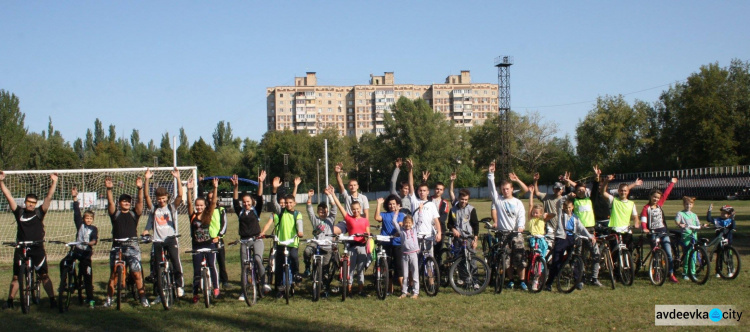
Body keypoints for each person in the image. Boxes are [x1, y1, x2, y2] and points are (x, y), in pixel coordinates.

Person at [0, 171, 59, 310]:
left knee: (44, 275)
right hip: (21, 248)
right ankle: (10, 300)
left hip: (37, 248)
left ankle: (52, 300)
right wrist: (1, 181)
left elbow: (49, 198)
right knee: (16, 277)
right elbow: (8, 196)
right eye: (29, 202)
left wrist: (54, 182)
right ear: (25, 202)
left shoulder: (39, 212)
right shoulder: (19, 212)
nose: (31, 205)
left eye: (33, 203)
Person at [141, 168, 185, 303]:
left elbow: (179, 196)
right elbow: (146, 197)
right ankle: (160, 290)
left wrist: (177, 178)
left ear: (167, 198)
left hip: (170, 239)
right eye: (159, 198)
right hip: (158, 240)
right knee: (157, 266)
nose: (161, 200)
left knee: (176, 262)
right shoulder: (154, 209)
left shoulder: (171, 207)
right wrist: (147, 179)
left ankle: (179, 285)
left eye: (163, 198)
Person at [104, 175, 148, 307]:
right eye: (124, 201)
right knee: (113, 275)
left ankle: (143, 298)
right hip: (117, 246)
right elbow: (110, 204)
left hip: (132, 246)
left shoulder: (134, 214)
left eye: (128, 201)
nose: (126, 203)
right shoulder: (115, 214)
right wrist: (109, 190)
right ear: (120, 203)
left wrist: (140, 188)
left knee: (136, 273)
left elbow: (140, 203)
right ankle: (109, 299)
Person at [487, 162, 528, 290]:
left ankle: (521, 281)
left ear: (511, 189)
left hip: (516, 234)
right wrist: (491, 174)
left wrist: (520, 226)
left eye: (507, 189)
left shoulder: (517, 202)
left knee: (520, 259)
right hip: (503, 234)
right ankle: (510, 280)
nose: (505, 191)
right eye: (503, 189)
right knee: (507, 259)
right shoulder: (498, 201)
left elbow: (521, 215)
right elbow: (491, 189)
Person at [262, 176, 304, 298]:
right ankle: (280, 288)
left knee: (294, 258)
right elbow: (274, 203)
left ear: (295, 203)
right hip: (281, 243)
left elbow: (299, 223)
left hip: (292, 243)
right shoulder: (280, 213)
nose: (288, 205)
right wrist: (274, 190)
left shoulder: (297, 214)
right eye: (286, 203)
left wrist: (300, 232)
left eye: (291, 203)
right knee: (279, 267)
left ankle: (296, 274)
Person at [231, 171, 271, 301]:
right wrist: (235, 187)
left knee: (258, 260)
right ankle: (244, 291)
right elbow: (235, 200)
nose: (246, 204)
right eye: (244, 202)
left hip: (256, 239)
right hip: (244, 241)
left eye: (248, 202)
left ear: (251, 202)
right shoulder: (240, 211)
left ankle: (264, 282)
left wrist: (260, 183)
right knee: (244, 265)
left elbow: (260, 197)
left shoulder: (256, 210)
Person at [328, 185, 370, 297]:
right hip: (351, 246)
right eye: (354, 209)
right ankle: (349, 291)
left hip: (361, 246)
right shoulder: (348, 218)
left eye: (357, 209)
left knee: (360, 270)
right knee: (350, 270)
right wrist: (333, 195)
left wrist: (366, 235)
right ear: (351, 210)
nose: (356, 211)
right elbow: (340, 206)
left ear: (360, 209)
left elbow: (368, 233)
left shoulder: (365, 220)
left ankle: (361, 290)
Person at [545, 200, 596, 291]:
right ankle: (549, 283)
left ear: (572, 207)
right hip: (562, 238)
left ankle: (578, 281)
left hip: (572, 239)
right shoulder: (561, 215)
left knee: (574, 260)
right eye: (566, 208)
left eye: (569, 207)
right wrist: (567, 197)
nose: (568, 209)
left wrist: (590, 236)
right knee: (556, 261)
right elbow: (559, 204)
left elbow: (582, 228)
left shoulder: (575, 218)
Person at [60, 186, 98, 308]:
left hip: (86, 254)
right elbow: (76, 211)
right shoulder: (80, 225)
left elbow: (94, 240)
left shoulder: (94, 228)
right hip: (77, 251)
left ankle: (90, 298)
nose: (88, 220)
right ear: (83, 219)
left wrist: (90, 243)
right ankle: (66, 281)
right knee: (63, 262)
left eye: (90, 218)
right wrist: (75, 198)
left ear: (93, 220)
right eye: (86, 218)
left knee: (87, 276)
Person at [187, 178, 220, 303]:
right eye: (197, 205)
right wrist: (189, 190)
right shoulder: (193, 216)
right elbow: (189, 204)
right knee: (196, 271)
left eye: (201, 205)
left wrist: (215, 188)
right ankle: (195, 293)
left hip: (209, 244)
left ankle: (216, 288)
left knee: (212, 265)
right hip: (197, 246)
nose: (199, 207)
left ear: (204, 205)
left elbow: (213, 203)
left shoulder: (208, 213)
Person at [640, 178, 678, 283]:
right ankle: (657, 274)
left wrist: (672, 183)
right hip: (653, 232)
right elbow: (643, 219)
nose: (656, 199)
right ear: (650, 197)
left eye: (657, 198)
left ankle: (671, 273)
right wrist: (644, 228)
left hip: (663, 231)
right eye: (654, 197)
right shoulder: (646, 208)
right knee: (656, 254)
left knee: (669, 254)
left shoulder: (660, 205)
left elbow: (666, 194)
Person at [302, 188, 337, 297]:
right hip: (316, 243)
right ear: (318, 212)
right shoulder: (315, 220)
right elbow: (309, 210)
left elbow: (334, 207)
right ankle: (308, 267)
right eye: (320, 211)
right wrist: (309, 197)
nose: (322, 213)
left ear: (327, 211)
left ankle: (325, 289)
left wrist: (330, 196)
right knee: (307, 251)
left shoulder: (330, 219)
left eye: (324, 211)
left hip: (327, 245)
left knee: (325, 270)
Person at [406, 159, 442, 258]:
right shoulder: (414, 201)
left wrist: (439, 232)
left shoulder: (431, 204)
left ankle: (429, 274)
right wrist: (410, 170)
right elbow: (411, 185)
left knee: (430, 260)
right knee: (416, 260)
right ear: (418, 192)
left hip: (428, 236)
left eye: (424, 190)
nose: (422, 192)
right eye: (420, 190)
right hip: (416, 235)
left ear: (428, 192)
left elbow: (436, 220)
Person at [447, 189, 480, 289]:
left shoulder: (471, 209)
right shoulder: (453, 210)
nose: (464, 202)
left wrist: (475, 239)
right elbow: (449, 224)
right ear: (458, 198)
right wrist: (453, 229)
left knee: (472, 260)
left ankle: (475, 281)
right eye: (462, 199)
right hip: (458, 238)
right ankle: (465, 280)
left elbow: (476, 224)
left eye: (466, 200)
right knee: (460, 260)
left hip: (469, 238)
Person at [374, 195, 404, 294]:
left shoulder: (401, 215)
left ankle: (402, 288)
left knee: (399, 266)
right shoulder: (384, 214)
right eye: (390, 204)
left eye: (394, 204)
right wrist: (378, 204)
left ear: (397, 204)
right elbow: (377, 217)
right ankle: (389, 288)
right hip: (386, 243)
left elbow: (400, 224)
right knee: (387, 266)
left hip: (397, 243)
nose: (392, 206)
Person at [601, 174, 639, 251]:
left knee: (629, 252)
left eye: (625, 191)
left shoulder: (631, 203)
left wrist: (636, 223)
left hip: (627, 231)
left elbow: (635, 216)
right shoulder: (613, 200)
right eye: (621, 190)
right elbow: (603, 192)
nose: (623, 192)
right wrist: (606, 181)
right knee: (615, 254)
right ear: (618, 191)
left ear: (628, 192)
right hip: (615, 230)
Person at [422, 170, 451, 268]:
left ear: (443, 191)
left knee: (438, 252)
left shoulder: (445, 203)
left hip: (440, 230)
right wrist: (424, 181)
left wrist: (436, 225)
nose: (438, 191)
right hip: (427, 230)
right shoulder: (428, 199)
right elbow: (421, 191)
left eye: (441, 189)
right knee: (428, 252)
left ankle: (437, 271)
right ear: (434, 189)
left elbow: (443, 217)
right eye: (437, 189)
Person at [389, 215, 419, 299]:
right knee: (405, 275)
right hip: (405, 254)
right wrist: (397, 212)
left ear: (412, 223)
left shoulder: (414, 230)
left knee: (415, 274)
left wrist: (420, 211)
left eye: (409, 223)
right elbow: (394, 222)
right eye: (406, 223)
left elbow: (419, 221)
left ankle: (416, 292)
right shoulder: (401, 231)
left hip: (413, 254)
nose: (408, 225)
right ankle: (404, 292)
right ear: (403, 223)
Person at [705, 204, 736, 278]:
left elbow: (733, 227)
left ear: (729, 215)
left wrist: (733, 218)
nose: (722, 214)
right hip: (719, 241)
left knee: (729, 256)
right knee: (719, 256)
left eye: (724, 213)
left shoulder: (730, 221)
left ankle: (730, 270)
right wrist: (709, 211)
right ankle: (718, 271)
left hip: (728, 242)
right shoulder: (718, 220)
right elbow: (709, 219)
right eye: (721, 212)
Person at [675, 196, 700, 280]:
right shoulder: (680, 213)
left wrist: (701, 226)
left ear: (692, 205)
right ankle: (685, 272)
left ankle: (693, 272)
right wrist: (680, 224)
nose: (688, 206)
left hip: (694, 236)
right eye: (686, 204)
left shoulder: (694, 215)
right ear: (683, 204)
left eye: (690, 204)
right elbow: (677, 221)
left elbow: (698, 224)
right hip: (686, 236)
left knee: (694, 255)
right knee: (687, 254)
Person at [527, 187, 555, 260]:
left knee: (544, 249)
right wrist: (531, 194)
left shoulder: (542, 219)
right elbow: (530, 205)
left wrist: (547, 214)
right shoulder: (531, 218)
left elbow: (554, 215)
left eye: (537, 213)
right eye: (534, 212)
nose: (535, 214)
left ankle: (542, 264)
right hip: (533, 237)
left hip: (541, 237)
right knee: (533, 252)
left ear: (540, 214)